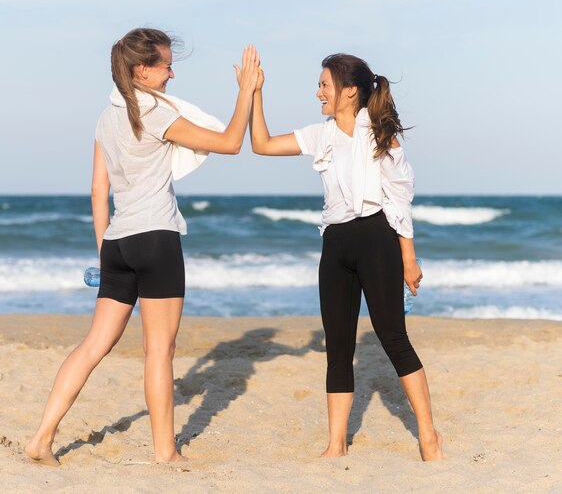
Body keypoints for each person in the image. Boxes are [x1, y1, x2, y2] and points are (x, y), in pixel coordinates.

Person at [25, 28, 260, 466]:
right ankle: (165, 451)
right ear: (141, 70)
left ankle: (41, 437)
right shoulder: (153, 113)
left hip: (117, 243)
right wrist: (246, 91)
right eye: (166, 65)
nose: (172, 74)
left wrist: (103, 251)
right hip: (155, 238)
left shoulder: (106, 116)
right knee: (159, 350)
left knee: (93, 344)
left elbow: (98, 191)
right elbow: (229, 142)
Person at [249, 53, 443, 461]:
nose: (317, 92)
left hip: (377, 239)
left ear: (349, 90)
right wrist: (254, 92)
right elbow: (261, 145)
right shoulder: (319, 135)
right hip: (335, 244)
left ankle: (428, 434)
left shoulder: (380, 133)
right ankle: (336, 445)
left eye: (324, 84)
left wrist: (408, 257)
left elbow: (400, 198)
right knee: (337, 348)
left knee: (393, 338)